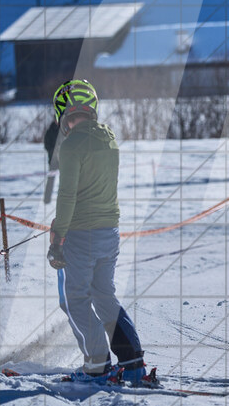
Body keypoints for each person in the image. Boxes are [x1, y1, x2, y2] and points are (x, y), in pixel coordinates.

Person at [46, 80, 152, 386]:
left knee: (74, 300)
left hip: (80, 235)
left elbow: (68, 196)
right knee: (105, 295)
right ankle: (133, 363)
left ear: (62, 112)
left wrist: (57, 237)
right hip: (110, 233)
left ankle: (97, 365)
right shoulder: (109, 139)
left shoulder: (72, 145)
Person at [43, 119, 60, 204]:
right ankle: (47, 199)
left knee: (65, 181)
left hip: (64, 160)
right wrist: (53, 151)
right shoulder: (50, 131)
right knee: (50, 180)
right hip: (53, 161)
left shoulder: (65, 129)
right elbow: (46, 145)